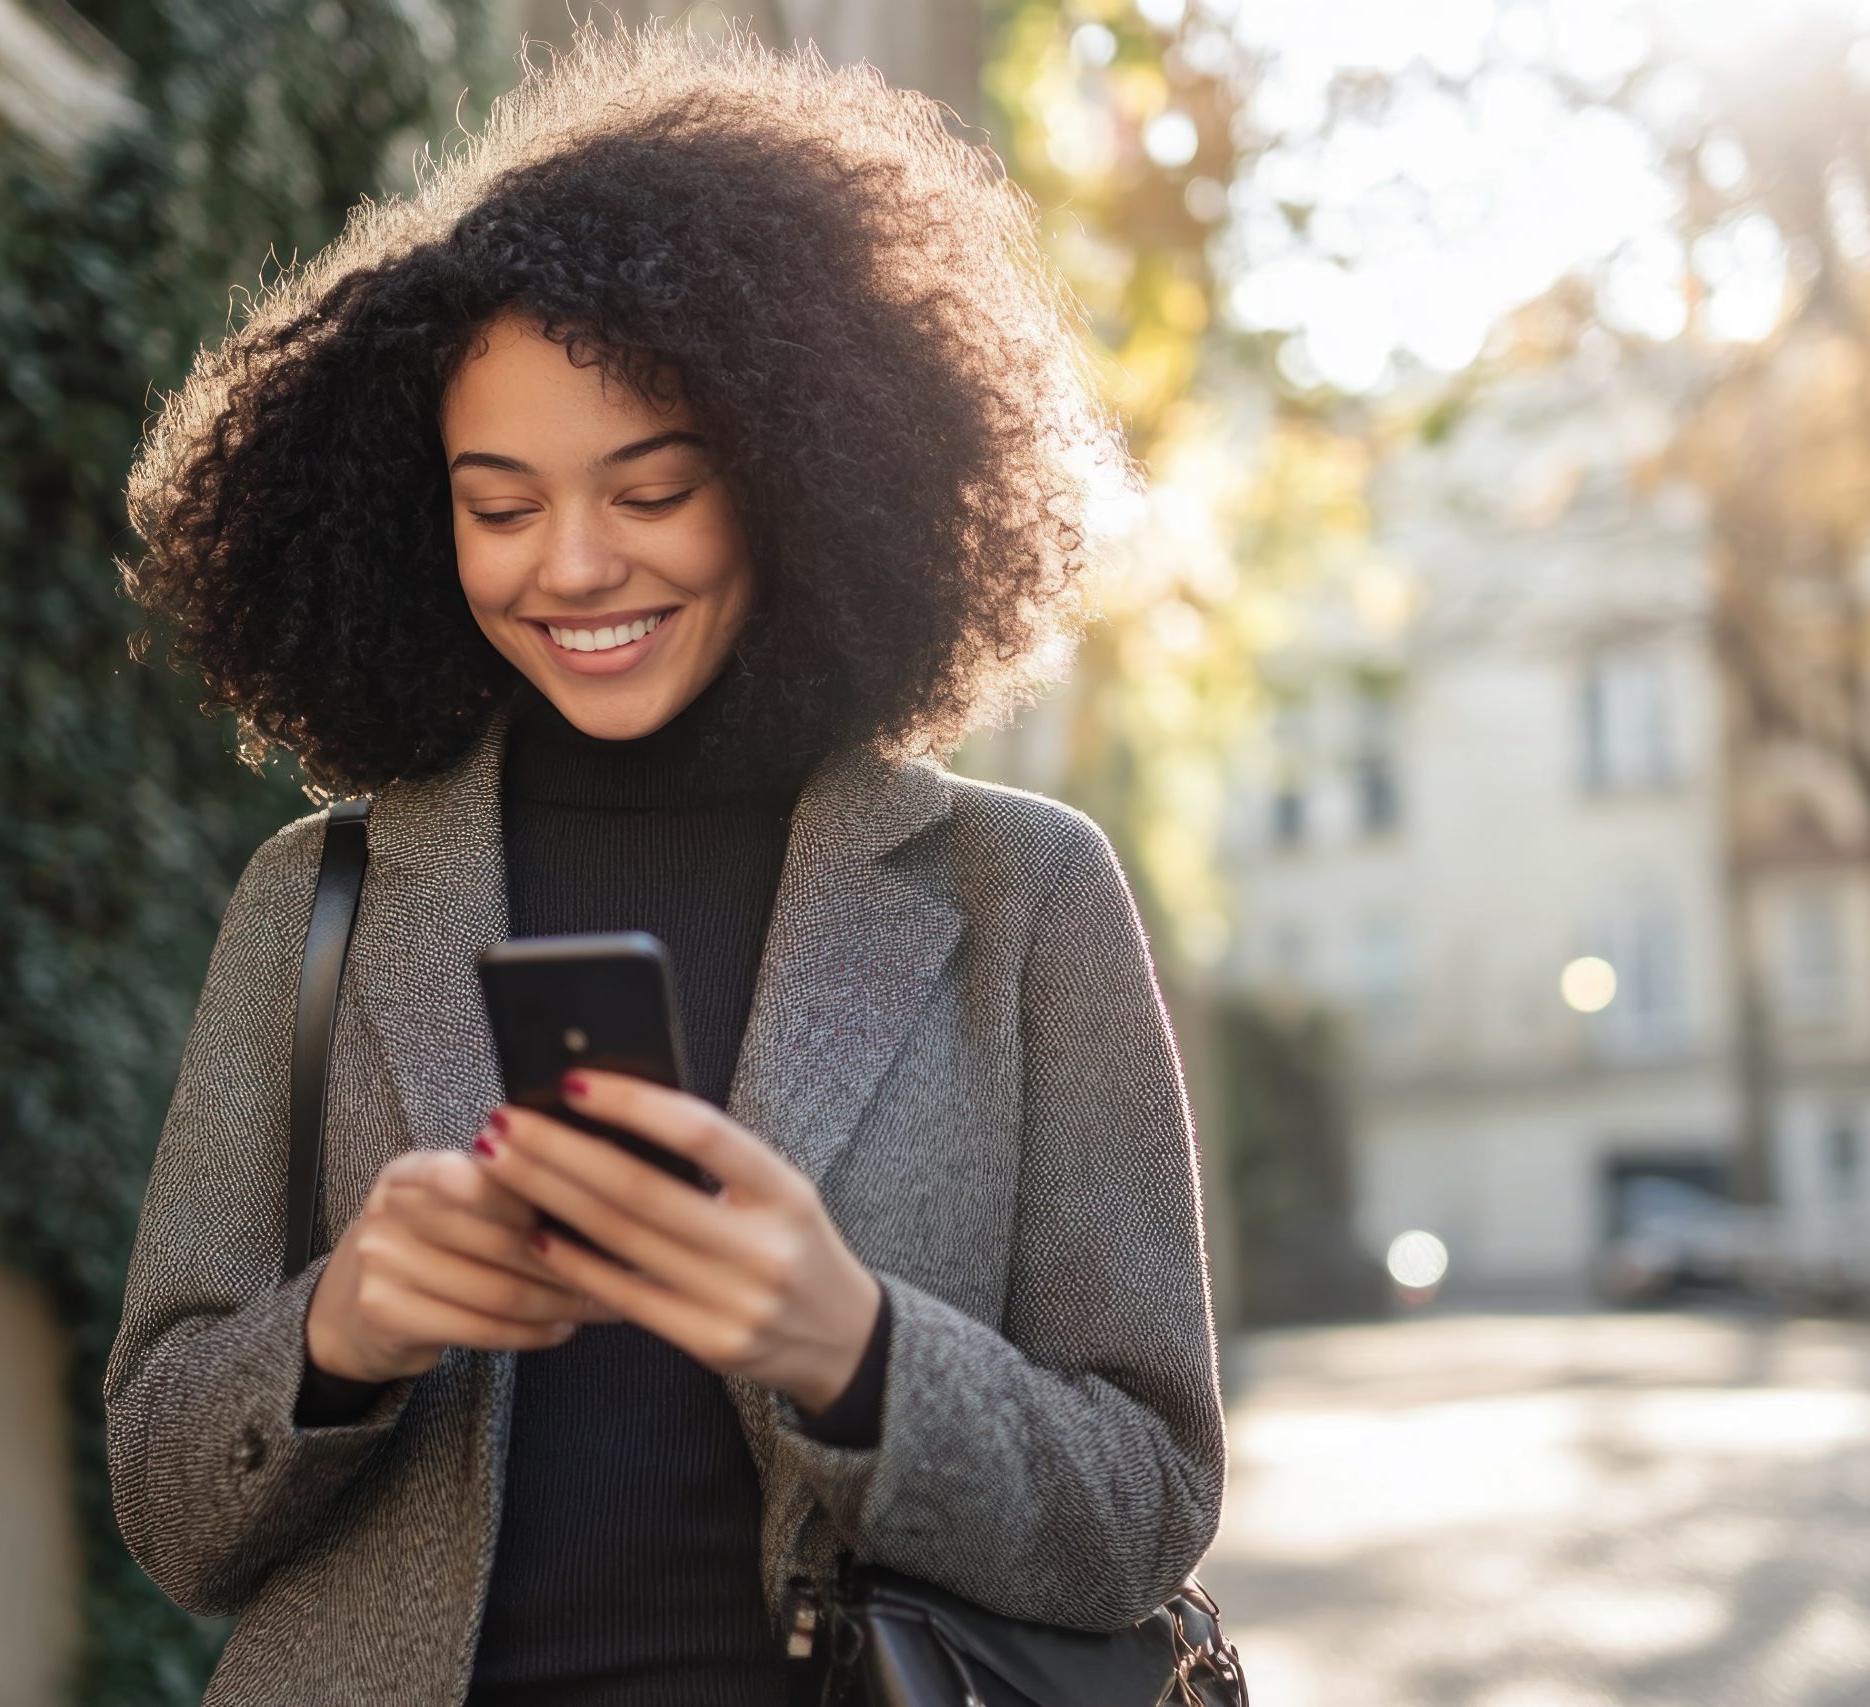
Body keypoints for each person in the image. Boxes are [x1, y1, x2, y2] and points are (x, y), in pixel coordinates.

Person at [103, 23, 1224, 1706]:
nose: (572, 566)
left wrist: (851, 1349)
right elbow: (169, 1504)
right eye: (499, 504)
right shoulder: (318, 898)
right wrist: (340, 1331)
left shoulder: (1022, 897)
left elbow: (1148, 1508)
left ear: (791, 476)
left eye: (653, 489)